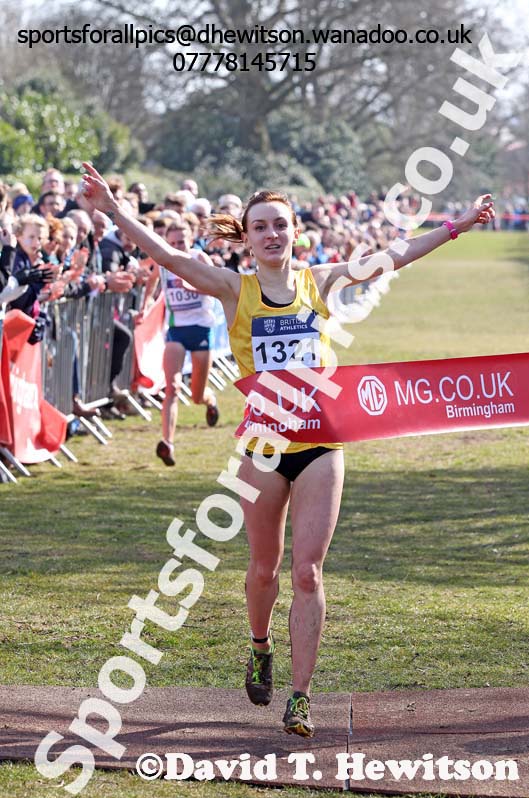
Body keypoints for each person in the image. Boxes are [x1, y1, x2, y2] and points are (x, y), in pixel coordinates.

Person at [81, 161, 495, 738]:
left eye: (280, 224)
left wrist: (459, 227)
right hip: (263, 447)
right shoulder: (235, 289)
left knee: (308, 573)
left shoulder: (319, 281)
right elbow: (172, 260)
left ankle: (300, 698)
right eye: (260, 227)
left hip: (322, 443)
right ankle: (259, 645)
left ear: (294, 230)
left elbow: (394, 255)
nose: (272, 234)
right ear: (246, 237)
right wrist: (113, 209)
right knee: (263, 571)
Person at [139, 220, 220, 466]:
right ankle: (168, 443)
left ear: (191, 239)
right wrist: (145, 307)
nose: (176, 247)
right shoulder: (164, 262)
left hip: (201, 328)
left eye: (181, 242)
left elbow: (219, 288)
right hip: (176, 330)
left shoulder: (200, 258)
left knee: (196, 395)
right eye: (172, 243)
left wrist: (196, 288)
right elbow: (152, 280)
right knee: (172, 388)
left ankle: (209, 400)